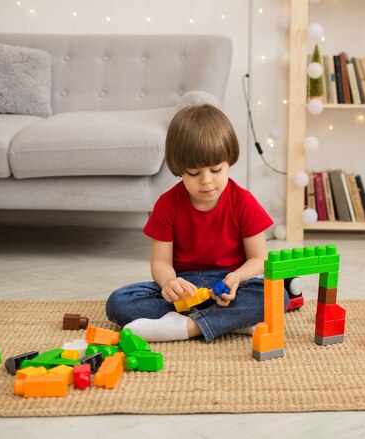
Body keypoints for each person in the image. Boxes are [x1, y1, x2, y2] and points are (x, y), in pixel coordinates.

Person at [106, 104, 289, 342]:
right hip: (185, 287)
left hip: (230, 285)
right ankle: (228, 321)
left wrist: (237, 278)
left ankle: (186, 327)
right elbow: (160, 262)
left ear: (229, 162)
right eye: (194, 173)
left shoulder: (243, 201)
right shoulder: (166, 204)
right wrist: (169, 282)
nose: (207, 181)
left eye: (216, 169)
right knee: (118, 303)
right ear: (179, 170)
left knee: (277, 297)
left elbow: (259, 259)